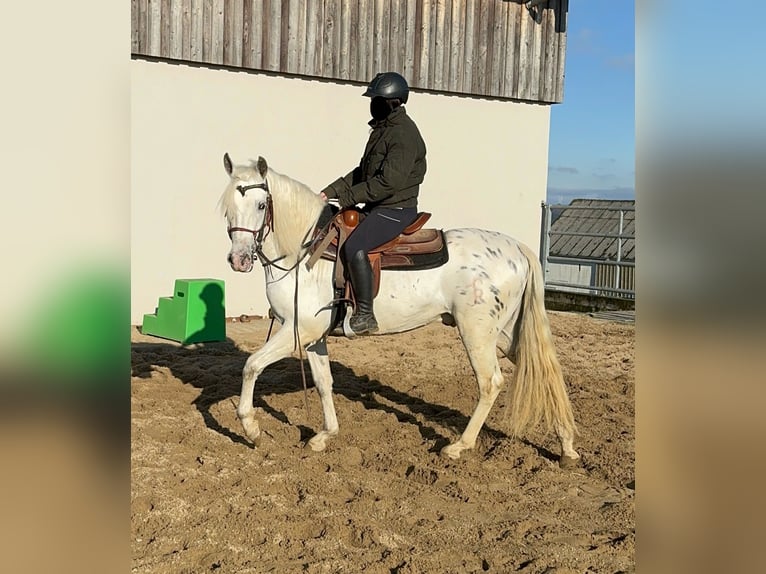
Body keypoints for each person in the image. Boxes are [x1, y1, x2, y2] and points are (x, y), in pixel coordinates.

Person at [320, 71, 427, 335]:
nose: (372, 103)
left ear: (392, 102)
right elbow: (361, 173)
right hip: (378, 206)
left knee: (355, 246)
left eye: (376, 99)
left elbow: (387, 183)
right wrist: (328, 193)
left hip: (396, 209)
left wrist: (346, 198)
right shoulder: (382, 130)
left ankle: (365, 314)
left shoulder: (403, 135)